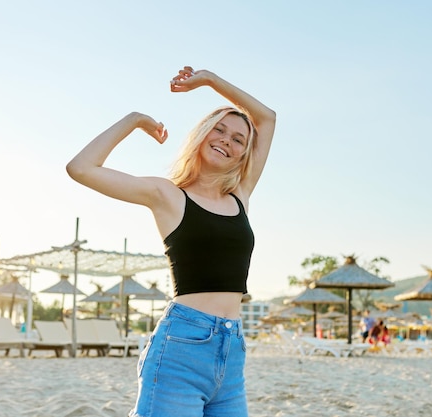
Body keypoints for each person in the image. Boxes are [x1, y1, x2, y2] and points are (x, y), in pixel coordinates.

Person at [66, 66, 276, 417]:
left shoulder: (241, 195)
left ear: (243, 154)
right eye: (219, 129)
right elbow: (81, 168)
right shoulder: (167, 195)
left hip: (232, 353)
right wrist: (134, 120)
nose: (226, 139)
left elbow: (266, 118)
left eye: (238, 139)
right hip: (181, 348)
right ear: (202, 135)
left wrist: (209, 80)